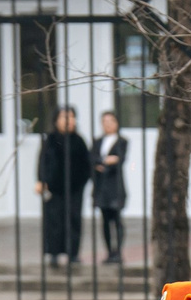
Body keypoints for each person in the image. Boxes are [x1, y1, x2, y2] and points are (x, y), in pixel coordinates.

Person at [36, 107, 92, 266]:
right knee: (54, 220)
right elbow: (42, 162)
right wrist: (41, 180)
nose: (68, 120)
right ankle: (53, 253)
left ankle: (73, 253)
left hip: (75, 188)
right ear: (56, 120)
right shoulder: (51, 139)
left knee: (74, 220)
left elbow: (87, 164)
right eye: (64, 117)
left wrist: (84, 181)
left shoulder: (79, 140)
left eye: (72, 117)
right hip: (54, 188)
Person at [90, 111, 131, 265]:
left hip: (116, 186)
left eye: (110, 120)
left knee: (117, 219)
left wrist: (104, 162)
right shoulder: (98, 141)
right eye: (104, 121)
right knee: (105, 221)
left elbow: (120, 159)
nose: (107, 124)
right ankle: (109, 252)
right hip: (101, 187)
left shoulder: (122, 141)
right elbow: (93, 159)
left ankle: (118, 252)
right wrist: (106, 160)